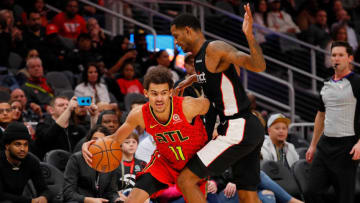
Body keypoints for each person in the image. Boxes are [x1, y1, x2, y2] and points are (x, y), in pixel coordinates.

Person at [171, 4, 266, 203]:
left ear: (188, 30)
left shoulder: (214, 48)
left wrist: (249, 35)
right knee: (247, 195)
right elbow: (215, 75)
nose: (175, 41)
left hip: (237, 128)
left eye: (177, 35)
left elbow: (258, 66)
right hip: (248, 127)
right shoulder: (198, 59)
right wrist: (194, 78)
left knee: (186, 181)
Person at [82, 68, 210, 202]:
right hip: (165, 163)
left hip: (193, 164)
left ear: (170, 93)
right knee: (132, 200)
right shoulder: (139, 114)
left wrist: (198, 78)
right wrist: (90, 144)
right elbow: (115, 139)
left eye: (164, 93)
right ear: (146, 93)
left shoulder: (188, 106)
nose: (159, 98)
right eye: (154, 93)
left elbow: (215, 102)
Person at [305, 41, 360, 203]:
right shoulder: (326, 83)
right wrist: (313, 144)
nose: (336, 58)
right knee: (311, 192)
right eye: (334, 55)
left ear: (350, 58)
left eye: (341, 55)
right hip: (325, 146)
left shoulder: (357, 82)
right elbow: (320, 115)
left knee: (345, 198)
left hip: (347, 148)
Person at [63, 125, 119, 203]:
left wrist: (117, 199)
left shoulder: (111, 161)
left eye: (102, 140)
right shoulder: (76, 159)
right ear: (88, 141)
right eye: (95, 139)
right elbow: (68, 193)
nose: (98, 143)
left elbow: (111, 192)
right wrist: (88, 200)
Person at [0, 122, 51, 202]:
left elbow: (44, 189)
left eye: (25, 144)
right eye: (18, 144)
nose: (23, 149)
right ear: (7, 145)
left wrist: (44, 197)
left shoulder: (31, 161)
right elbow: (1, 195)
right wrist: (30, 201)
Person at [115, 133, 147, 202]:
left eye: (134, 142)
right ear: (120, 145)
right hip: (120, 199)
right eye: (127, 142)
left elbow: (146, 187)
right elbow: (111, 190)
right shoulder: (114, 165)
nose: (131, 144)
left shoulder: (143, 164)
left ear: (137, 144)